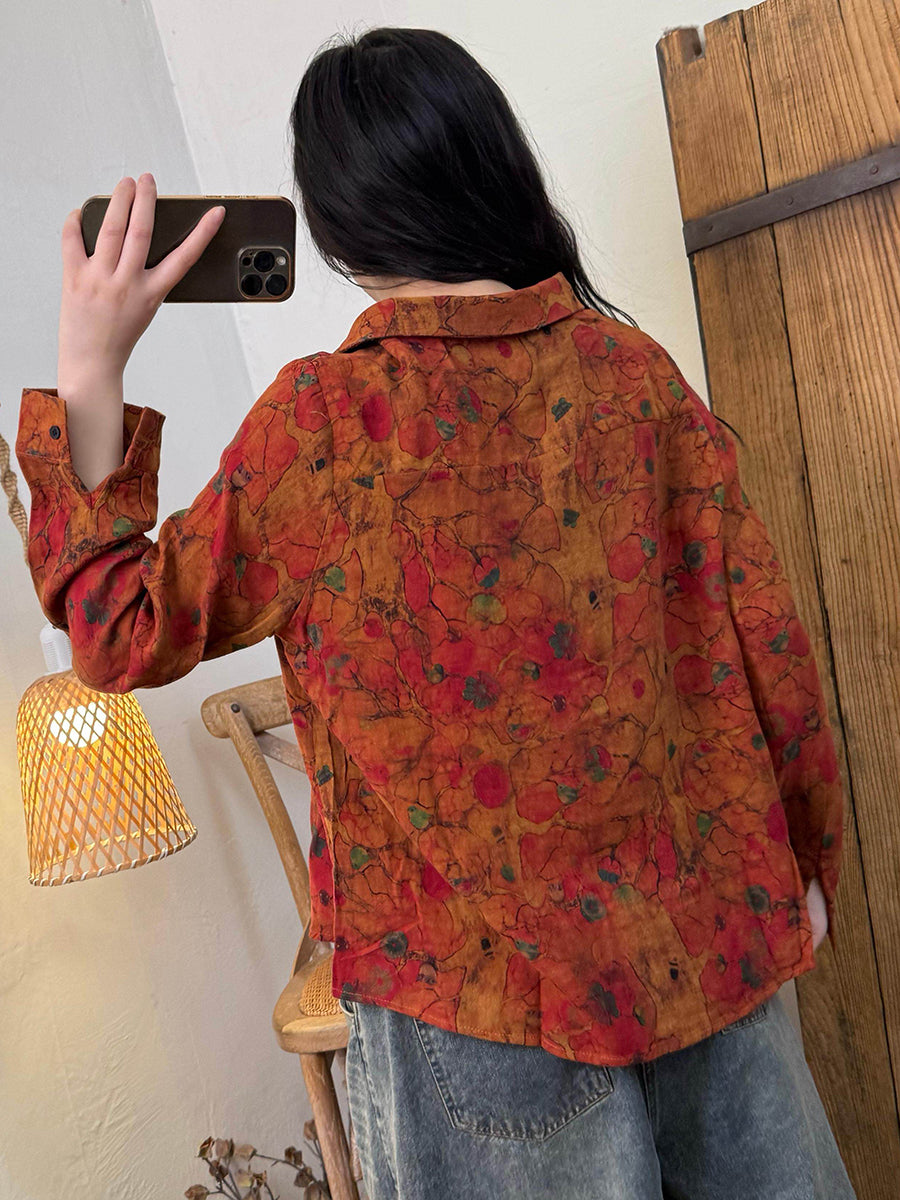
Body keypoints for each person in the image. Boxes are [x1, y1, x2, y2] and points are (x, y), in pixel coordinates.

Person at [15, 23, 854, 1200]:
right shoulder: (639, 381)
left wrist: (90, 364)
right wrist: (806, 865)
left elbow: (115, 632)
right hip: (711, 954)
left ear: (339, 229)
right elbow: (771, 647)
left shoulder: (322, 424)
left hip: (474, 1005)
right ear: (493, 169)